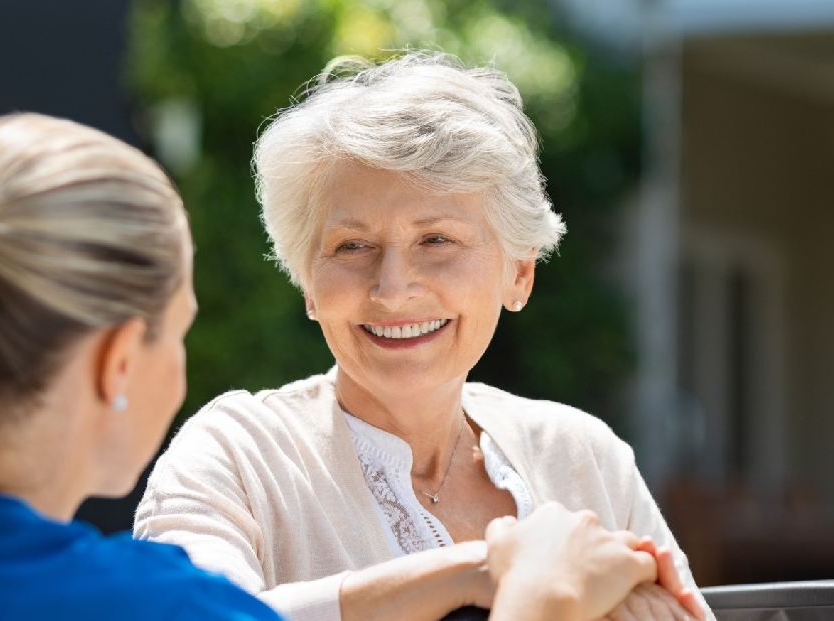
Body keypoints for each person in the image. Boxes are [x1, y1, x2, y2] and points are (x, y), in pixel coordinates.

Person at [0, 113, 672, 621]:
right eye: (178, 331)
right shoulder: (150, 603)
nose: (393, 283)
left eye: (438, 240)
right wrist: (534, 594)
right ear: (116, 361)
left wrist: (483, 569)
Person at [134, 52, 712, 621]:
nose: (391, 289)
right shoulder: (236, 455)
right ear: (308, 283)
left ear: (519, 273)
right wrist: (491, 573)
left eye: (436, 240)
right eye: (352, 246)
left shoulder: (582, 455)